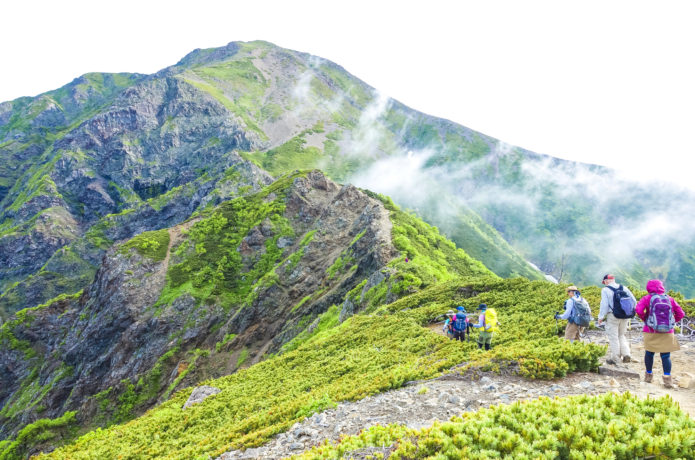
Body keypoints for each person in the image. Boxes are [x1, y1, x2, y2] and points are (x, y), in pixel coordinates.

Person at [635, 279, 685, 388]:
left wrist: (646, 320)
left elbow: (638, 310)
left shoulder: (646, 298)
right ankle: (667, 379)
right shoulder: (670, 299)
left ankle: (648, 376)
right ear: (661, 287)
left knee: (649, 353)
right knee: (666, 356)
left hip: (650, 330)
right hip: (667, 331)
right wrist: (671, 322)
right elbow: (681, 313)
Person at [597, 274, 637, 364]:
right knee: (621, 335)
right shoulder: (624, 288)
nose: (605, 284)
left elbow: (604, 305)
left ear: (607, 281)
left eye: (604, 282)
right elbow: (634, 301)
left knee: (613, 336)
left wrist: (601, 317)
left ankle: (616, 358)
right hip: (625, 316)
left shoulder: (605, 290)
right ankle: (626, 354)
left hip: (613, 316)